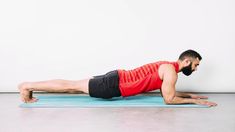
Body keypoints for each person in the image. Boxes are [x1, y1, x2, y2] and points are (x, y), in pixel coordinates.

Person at [18, 49, 217, 107]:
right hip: (114, 85)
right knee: (72, 85)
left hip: (115, 80)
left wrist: (191, 95)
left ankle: (30, 86)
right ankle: (26, 85)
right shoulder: (172, 72)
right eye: (196, 64)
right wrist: (194, 102)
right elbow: (169, 99)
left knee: (73, 86)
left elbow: (169, 92)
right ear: (187, 61)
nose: (196, 68)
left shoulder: (168, 68)